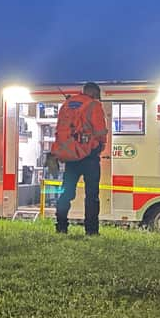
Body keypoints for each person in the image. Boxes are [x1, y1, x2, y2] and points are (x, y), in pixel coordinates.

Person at [53, 82, 108, 235]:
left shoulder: (66, 105)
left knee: (67, 193)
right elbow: (100, 132)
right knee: (91, 195)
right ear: (94, 93)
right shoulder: (93, 105)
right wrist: (101, 146)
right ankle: (91, 231)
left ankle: (61, 226)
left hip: (70, 157)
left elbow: (59, 129)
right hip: (89, 156)